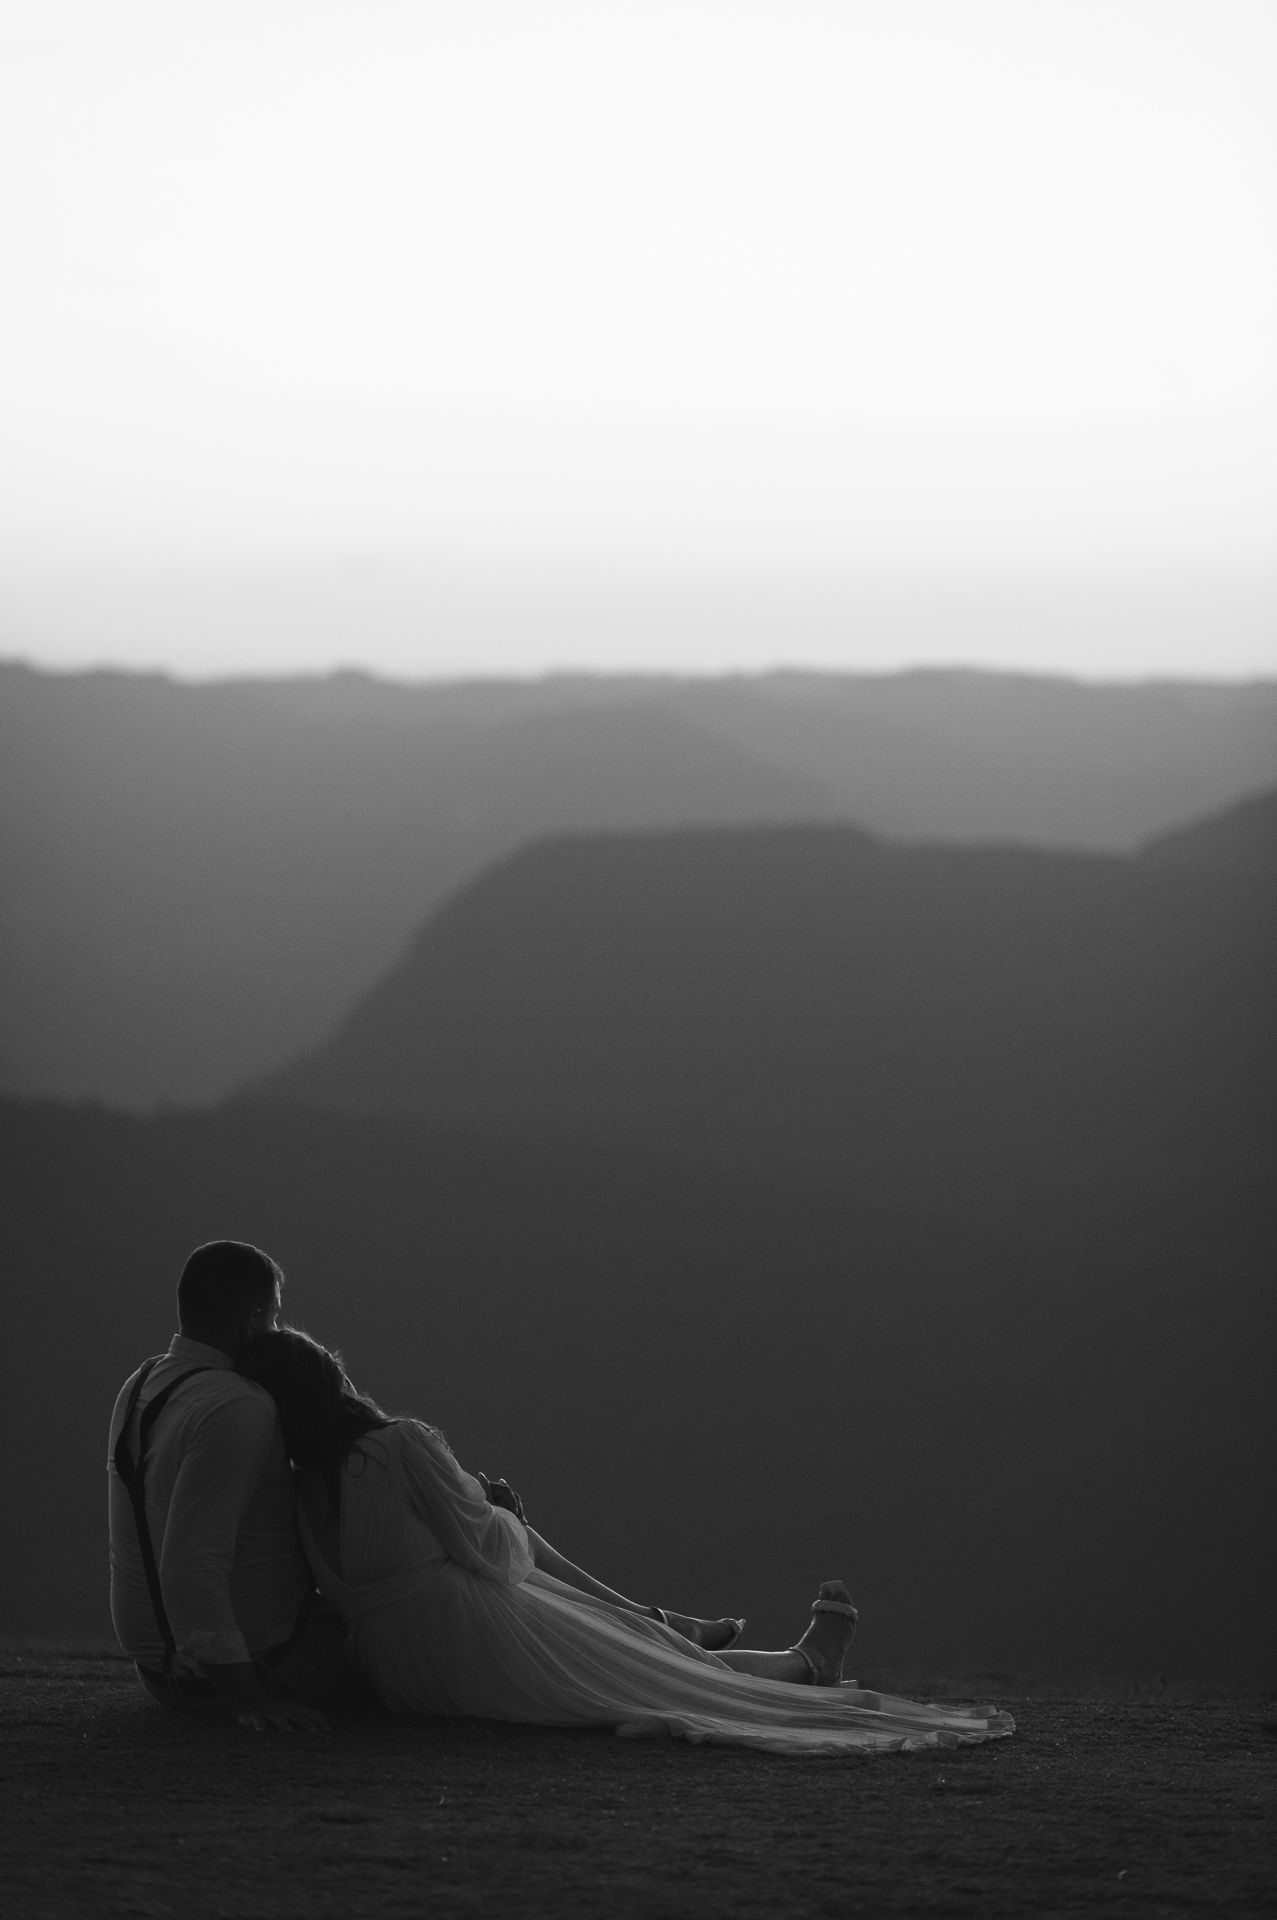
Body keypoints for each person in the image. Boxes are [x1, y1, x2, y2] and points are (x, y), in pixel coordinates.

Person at [240, 1325, 1016, 1756]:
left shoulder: (300, 1489)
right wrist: (499, 1506)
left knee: (634, 1656)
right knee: (649, 1671)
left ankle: (700, 1632)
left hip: (400, 1671)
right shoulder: (399, 1445)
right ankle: (793, 1661)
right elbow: (491, 1553)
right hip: (464, 1637)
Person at [107, 1241, 368, 1731]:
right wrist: (248, 1700)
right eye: (274, 1316)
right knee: (412, 1623)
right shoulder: (237, 1405)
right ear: (251, 1320)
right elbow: (192, 1562)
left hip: (161, 1676)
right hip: (257, 1669)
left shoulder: (141, 1383)